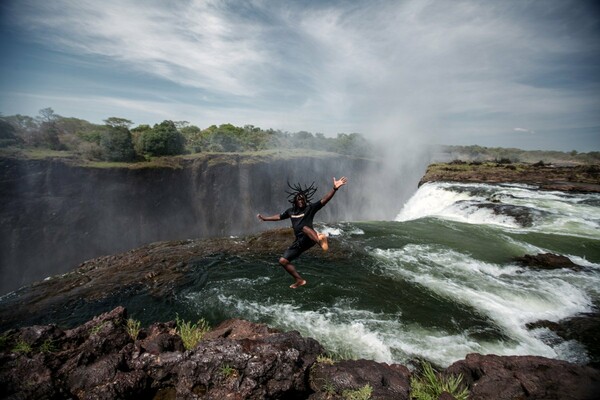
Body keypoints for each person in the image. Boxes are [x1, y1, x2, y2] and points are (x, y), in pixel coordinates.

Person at [257, 176, 348, 288]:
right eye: (299, 199)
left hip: (310, 237)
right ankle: (299, 280)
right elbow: (279, 217)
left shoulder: (310, 208)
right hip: (299, 242)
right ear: (295, 201)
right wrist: (265, 218)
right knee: (283, 261)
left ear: (305, 200)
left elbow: (324, 200)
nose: (301, 200)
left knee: (304, 228)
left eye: (303, 199)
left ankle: (321, 242)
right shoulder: (291, 211)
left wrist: (334, 189)